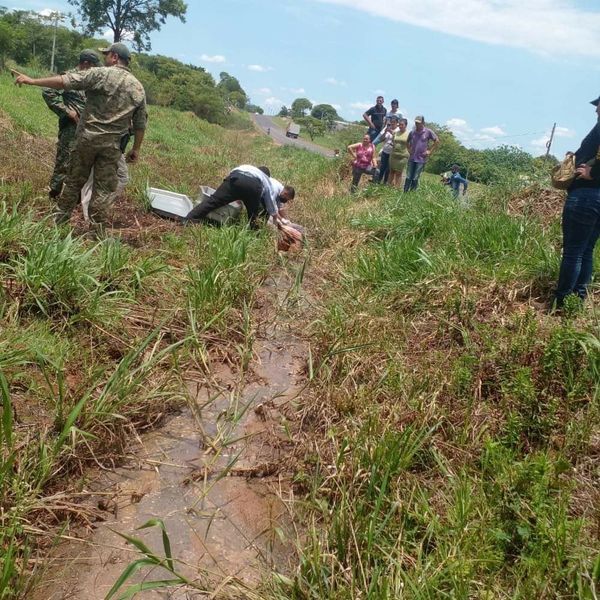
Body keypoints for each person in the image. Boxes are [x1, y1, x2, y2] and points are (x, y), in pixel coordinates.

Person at [12, 42, 147, 234]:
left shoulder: (100, 73)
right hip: (112, 147)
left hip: (87, 140)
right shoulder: (138, 88)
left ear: (115, 57)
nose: (104, 58)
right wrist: (136, 149)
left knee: (74, 182)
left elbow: (64, 81)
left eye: (107, 55)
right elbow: (141, 124)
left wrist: (32, 81)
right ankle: (96, 232)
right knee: (102, 190)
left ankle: (59, 225)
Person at [553, 96, 600, 309]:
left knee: (573, 250)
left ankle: (562, 301)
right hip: (595, 197)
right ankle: (577, 301)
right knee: (586, 250)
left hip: (586, 195)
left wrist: (595, 172)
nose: (596, 109)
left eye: (598, 105)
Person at [42, 49, 100, 200]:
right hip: (71, 127)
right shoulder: (69, 76)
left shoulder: (89, 79)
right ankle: (54, 194)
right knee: (64, 161)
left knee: (81, 163)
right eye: (93, 65)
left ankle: (76, 198)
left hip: (87, 128)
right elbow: (48, 91)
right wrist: (67, 111)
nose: (95, 68)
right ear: (86, 63)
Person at [184, 164, 294, 229]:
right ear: (266, 175)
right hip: (254, 186)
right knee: (253, 216)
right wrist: (275, 217)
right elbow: (270, 201)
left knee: (213, 201)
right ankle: (253, 234)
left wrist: (222, 195)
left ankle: (189, 219)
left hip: (236, 178)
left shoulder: (246, 166)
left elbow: (229, 177)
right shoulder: (266, 179)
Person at [404, 116, 439, 192]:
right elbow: (407, 141)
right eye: (416, 122)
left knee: (415, 177)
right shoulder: (412, 132)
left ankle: (412, 194)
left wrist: (430, 151)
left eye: (418, 123)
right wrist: (409, 149)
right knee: (409, 175)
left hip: (421, 158)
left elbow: (436, 141)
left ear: (423, 123)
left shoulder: (428, 131)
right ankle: (405, 192)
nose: (417, 124)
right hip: (412, 157)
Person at [374, 118, 398, 184]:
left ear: (397, 123)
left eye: (394, 122)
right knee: (382, 167)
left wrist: (392, 133)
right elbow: (381, 139)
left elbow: (396, 140)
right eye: (391, 122)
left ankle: (385, 182)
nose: (392, 123)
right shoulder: (387, 129)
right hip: (385, 151)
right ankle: (378, 181)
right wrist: (385, 132)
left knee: (388, 168)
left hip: (392, 152)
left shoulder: (398, 130)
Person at [389, 118, 409, 188]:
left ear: (406, 125)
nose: (400, 126)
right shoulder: (395, 133)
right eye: (399, 125)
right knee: (391, 171)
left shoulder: (409, 134)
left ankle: (396, 188)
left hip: (403, 156)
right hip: (394, 155)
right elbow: (393, 142)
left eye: (402, 125)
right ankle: (389, 187)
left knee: (398, 173)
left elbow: (411, 145)